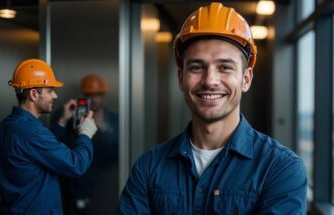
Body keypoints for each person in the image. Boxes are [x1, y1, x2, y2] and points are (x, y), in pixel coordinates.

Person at [117, 2, 307, 215]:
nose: (210, 81)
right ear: (181, 78)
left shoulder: (280, 168)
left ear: (246, 79)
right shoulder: (148, 168)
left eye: (225, 67)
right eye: (197, 67)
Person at [0, 59, 98, 215]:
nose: (55, 95)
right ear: (34, 94)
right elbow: (75, 164)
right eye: (50, 90)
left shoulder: (7, 126)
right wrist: (85, 134)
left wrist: (62, 121)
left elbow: (39, 152)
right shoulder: (32, 131)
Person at [53, 74, 119, 215]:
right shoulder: (72, 115)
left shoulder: (113, 120)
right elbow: (56, 147)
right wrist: (69, 122)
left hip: (103, 184)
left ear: (103, 95)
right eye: (90, 95)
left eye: (97, 95)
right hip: (72, 185)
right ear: (84, 94)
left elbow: (116, 154)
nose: (94, 100)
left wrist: (101, 127)